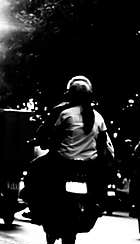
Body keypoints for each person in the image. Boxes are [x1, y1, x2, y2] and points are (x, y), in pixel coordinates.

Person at [27, 76, 115, 225]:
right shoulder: (98, 117)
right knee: (103, 181)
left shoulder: (63, 114)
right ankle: (99, 203)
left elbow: (50, 136)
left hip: (62, 163)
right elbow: (103, 144)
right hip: (89, 166)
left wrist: (45, 143)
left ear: (70, 94)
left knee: (34, 168)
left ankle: (33, 206)